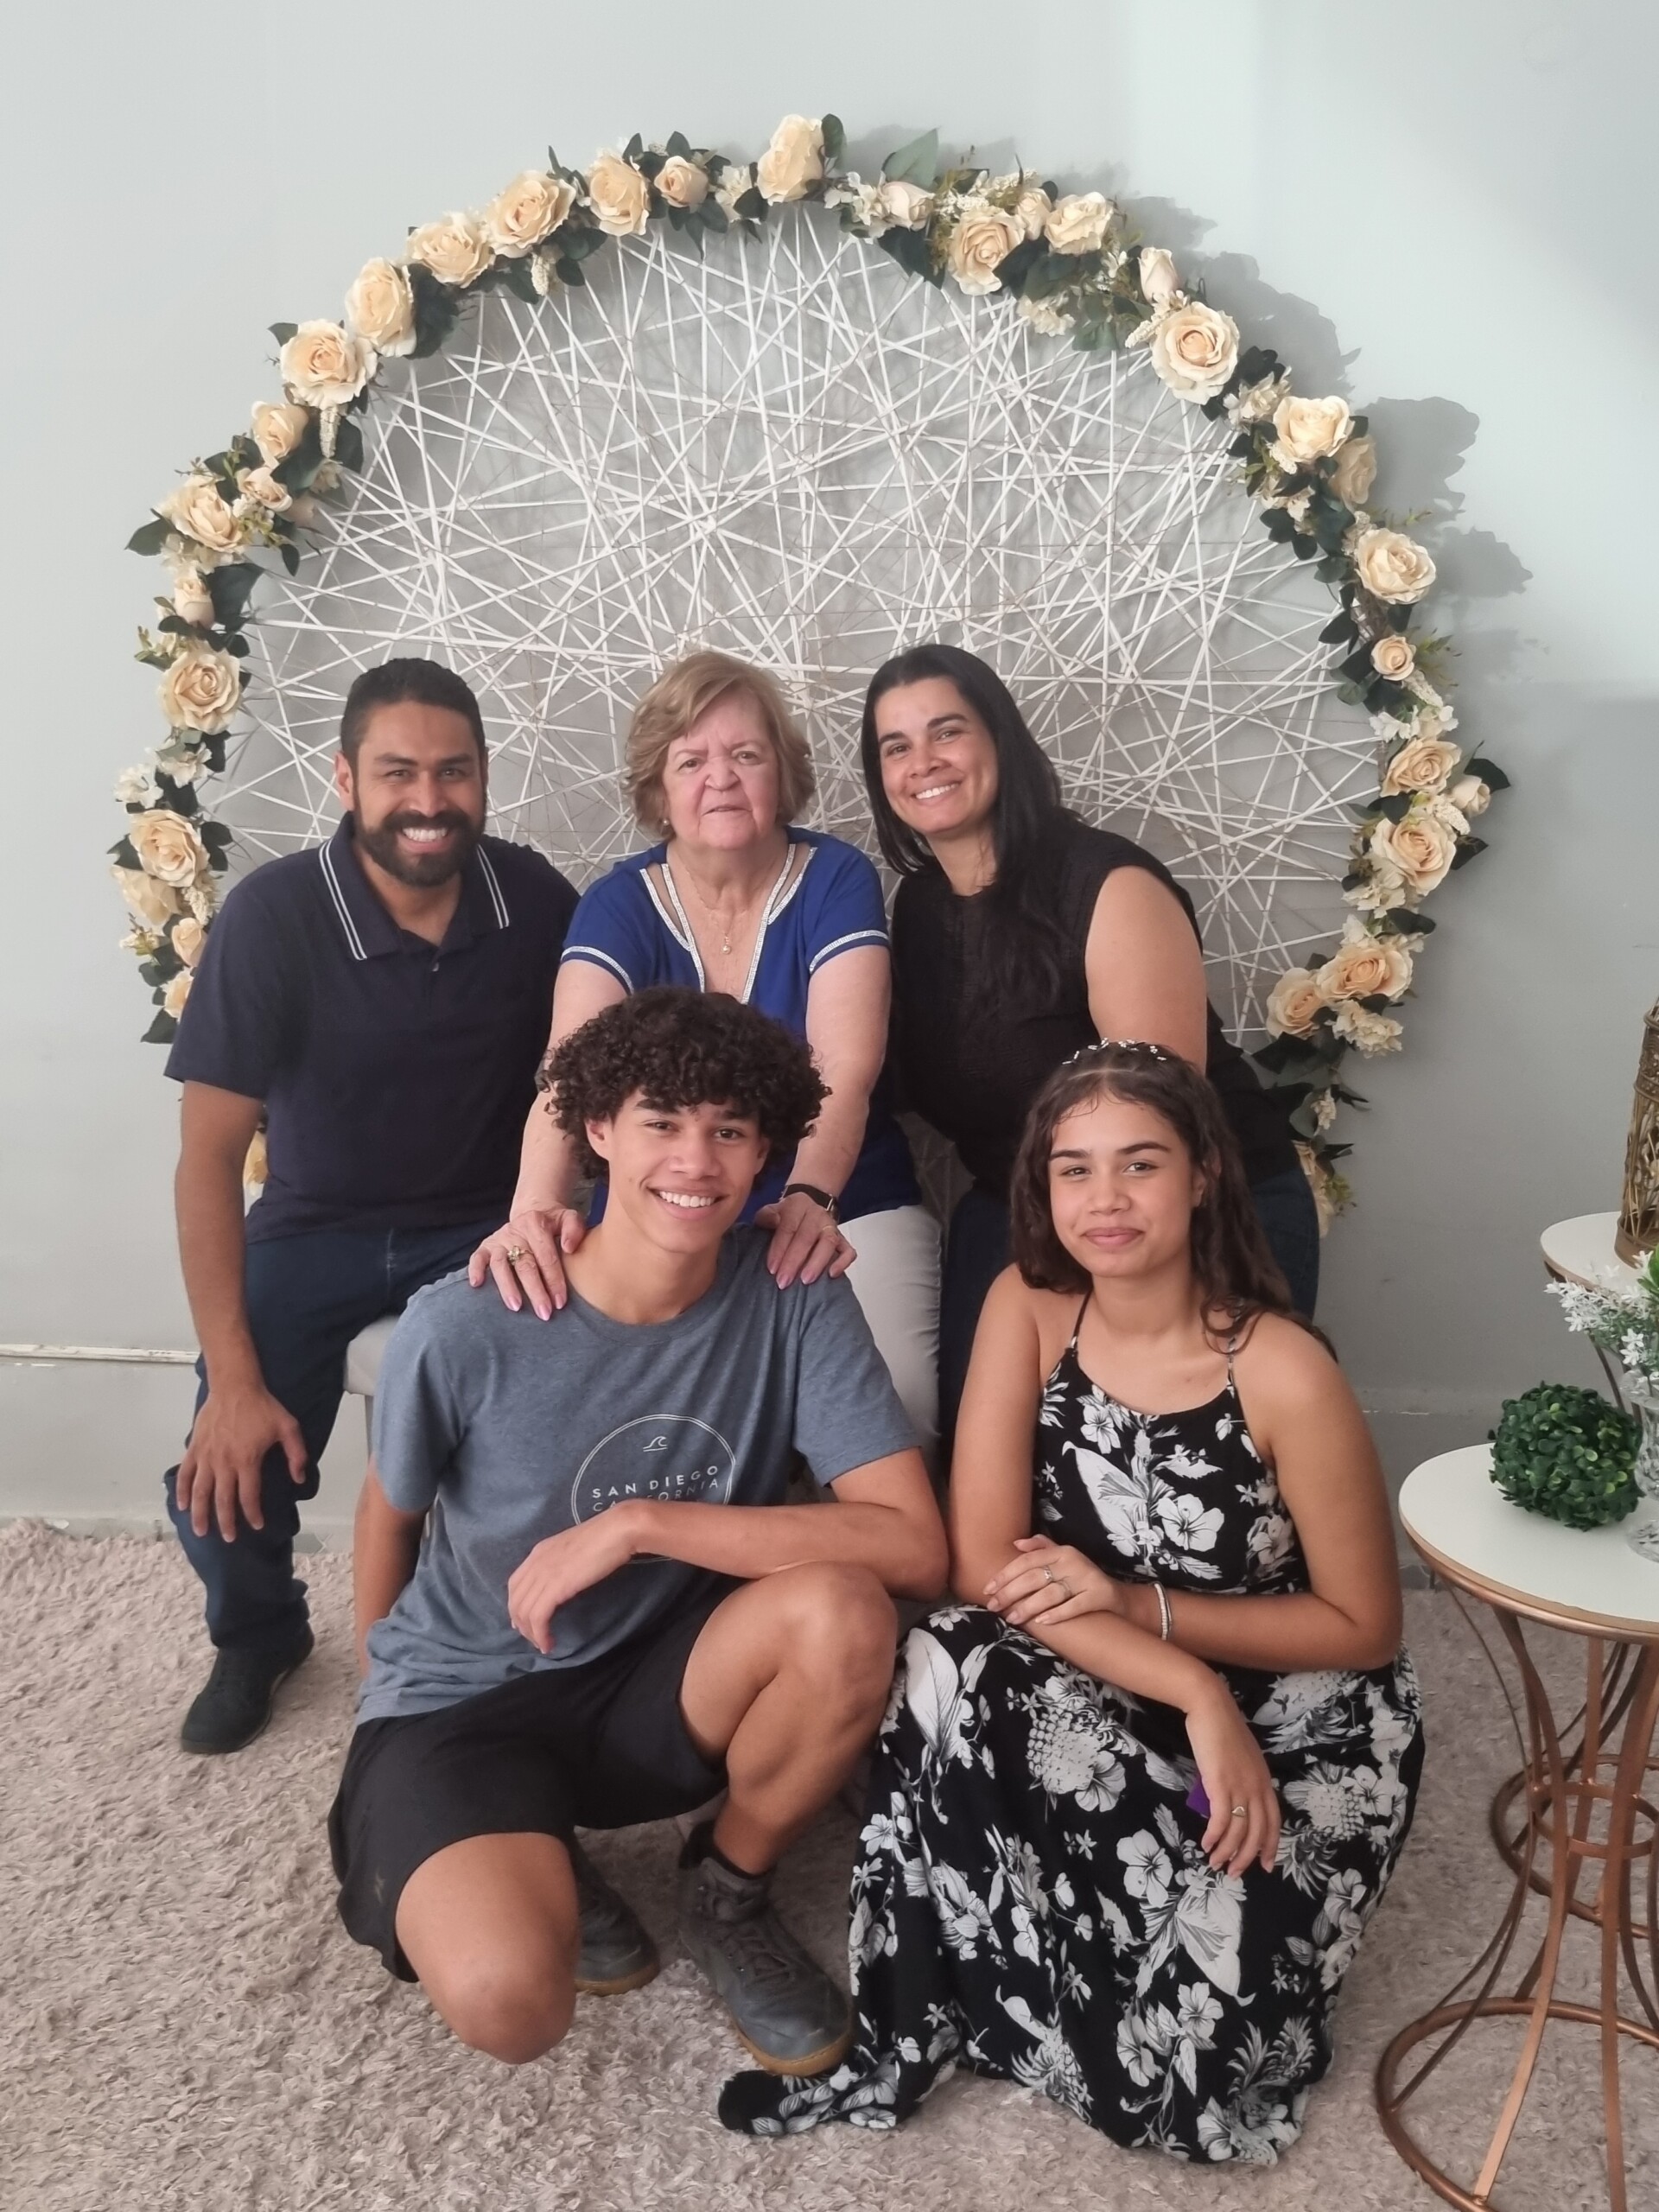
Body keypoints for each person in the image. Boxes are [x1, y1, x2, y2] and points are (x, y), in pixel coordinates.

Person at [721, 1041, 1422, 2160]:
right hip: (1119, 1669)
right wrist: (1187, 1685)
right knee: (954, 1654)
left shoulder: (1284, 1369)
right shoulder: (1031, 1306)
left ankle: (1088, 1960)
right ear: (1042, 1187)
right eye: (1074, 1169)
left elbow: (1364, 1627)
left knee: (1196, 2068)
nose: (1106, 1200)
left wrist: (1156, 1623)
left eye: (1140, 1164)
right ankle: (979, 1982)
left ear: (1203, 1175)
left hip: (1296, 1709)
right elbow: (980, 1566)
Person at [332, 988, 946, 2077]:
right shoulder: (466, 1319)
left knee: (845, 1607)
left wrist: (641, 1523)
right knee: (511, 2002)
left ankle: (728, 1884)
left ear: (766, 1152)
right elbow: (391, 1510)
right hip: (470, 1699)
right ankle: (531, 1839)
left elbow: (913, 1549)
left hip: (663, 1683)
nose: (696, 1161)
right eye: (661, 1120)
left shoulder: (794, 1294)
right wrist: (379, 1690)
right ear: (599, 1130)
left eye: (730, 1130)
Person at [162, 658, 579, 1755]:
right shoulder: (273, 916)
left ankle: (498, 1627)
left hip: (483, 1224)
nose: (428, 799)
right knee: (226, 1468)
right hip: (314, 1225)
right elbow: (206, 1163)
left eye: (453, 771)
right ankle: (259, 1633)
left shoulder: (536, 902)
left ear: (484, 776)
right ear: (346, 779)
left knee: (544, 1430)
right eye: (398, 772)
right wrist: (234, 1380)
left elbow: (597, 1088)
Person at [469, 651, 940, 1456]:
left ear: (781, 772)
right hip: (661, 1211)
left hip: (844, 1199)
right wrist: (532, 1212)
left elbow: (844, 1068)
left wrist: (810, 1199)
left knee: (897, 1407)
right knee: (638, 1423)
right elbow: (566, 1076)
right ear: (659, 788)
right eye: (691, 761)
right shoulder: (618, 904)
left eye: (745, 754)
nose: (720, 778)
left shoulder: (835, 878)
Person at [862, 642, 1318, 1446]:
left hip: (1182, 1208)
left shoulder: (1107, 884)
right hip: (1014, 1205)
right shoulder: (919, 909)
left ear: (1000, 739)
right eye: (895, 746)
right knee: (974, 1453)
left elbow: (1156, 1129)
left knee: (1147, 1471)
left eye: (947, 731)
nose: (922, 762)